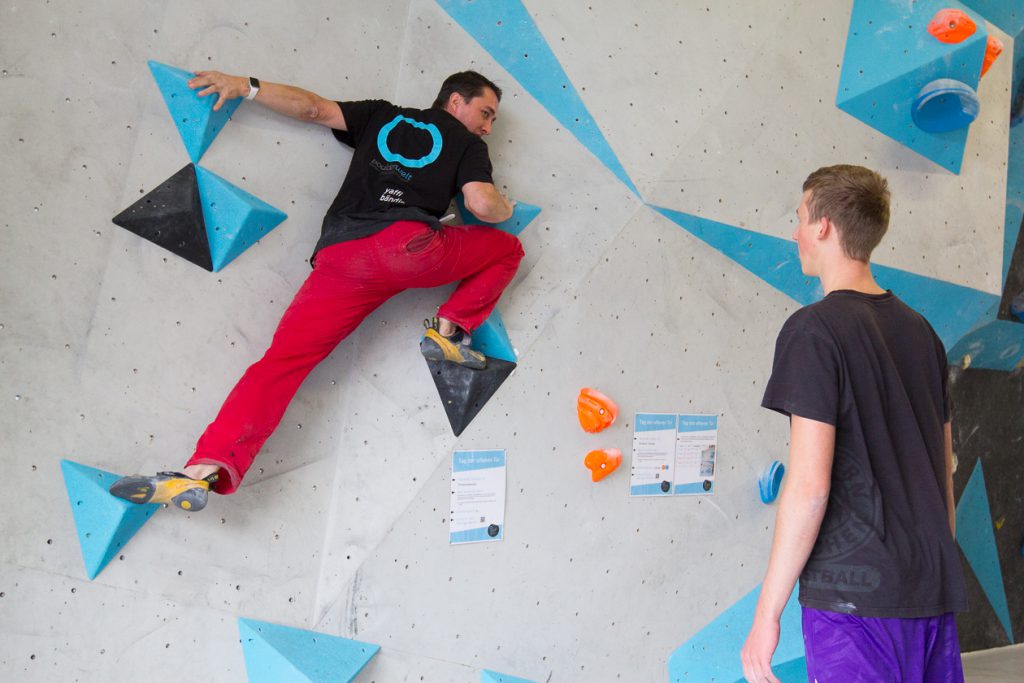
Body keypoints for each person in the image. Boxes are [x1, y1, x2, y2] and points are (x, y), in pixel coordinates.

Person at [109, 69, 523, 512]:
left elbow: (313, 108)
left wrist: (246, 87)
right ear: (455, 101)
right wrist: (506, 206)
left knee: (281, 364)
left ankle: (201, 471)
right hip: (406, 247)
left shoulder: (381, 116)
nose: (487, 126)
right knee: (508, 249)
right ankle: (450, 331)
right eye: (485, 113)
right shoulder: (466, 144)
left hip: (341, 259)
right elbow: (482, 204)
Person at [740, 165, 966, 682]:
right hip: (930, 594)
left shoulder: (813, 332)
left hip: (855, 605)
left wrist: (766, 614)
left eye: (798, 218)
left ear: (823, 226)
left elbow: (809, 487)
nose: (794, 231)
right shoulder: (922, 333)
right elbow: (942, 477)